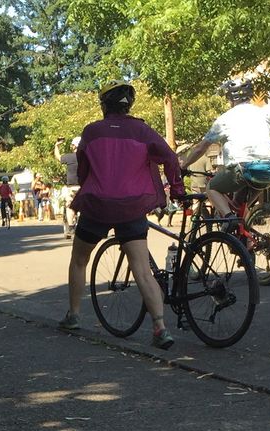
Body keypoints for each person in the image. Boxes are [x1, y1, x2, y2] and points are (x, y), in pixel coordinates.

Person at [60, 81, 184, 350]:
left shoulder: (91, 132)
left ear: (104, 106)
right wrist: (177, 189)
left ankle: (73, 315)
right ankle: (160, 328)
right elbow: (170, 158)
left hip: (97, 204)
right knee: (142, 269)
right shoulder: (142, 130)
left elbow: (83, 170)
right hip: (132, 205)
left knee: (79, 258)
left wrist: (90, 184)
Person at [178, 79, 270, 217]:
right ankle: (246, 237)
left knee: (212, 188)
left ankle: (230, 220)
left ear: (230, 97)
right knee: (239, 206)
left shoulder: (226, 118)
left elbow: (201, 148)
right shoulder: (263, 114)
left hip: (243, 168)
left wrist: (184, 165)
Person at [54, 137, 81, 229]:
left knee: (69, 206)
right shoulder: (87, 156)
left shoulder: (69, 157)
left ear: (74, 146)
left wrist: (56, 146)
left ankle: (70, 227)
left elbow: (58, 157)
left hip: (72, 187)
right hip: (84, 187)